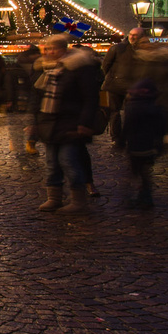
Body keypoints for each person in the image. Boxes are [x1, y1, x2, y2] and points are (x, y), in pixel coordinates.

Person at [32, 34, 104, 214]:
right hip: (49, 121)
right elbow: (39, 96)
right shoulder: (47, 67)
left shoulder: (78, 68)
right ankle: (54, 198)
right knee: (51, 162)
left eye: (52, 48)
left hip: (70, 121)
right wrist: (35, 120)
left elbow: (89, 98)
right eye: (47, 49)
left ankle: (78, 200)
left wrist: (84, 122)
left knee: (68, 160)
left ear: (63, 49)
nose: (49, 52)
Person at [120, 78, 165, 209]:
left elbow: (127, 126)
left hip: (135, 146)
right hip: (150, 146)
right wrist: (159, 145)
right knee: (144, 173)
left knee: (135, 171)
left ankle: (136, 196)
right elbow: (161, 128)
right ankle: (145, 196)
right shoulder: (156, 108)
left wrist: (121, 141)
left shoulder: (132, 107)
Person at [101, 28, 145, 148]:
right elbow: (106, 65)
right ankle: (117, 137)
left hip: (132, 86)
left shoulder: (143, 49)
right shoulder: (118, 48)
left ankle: (124, 137)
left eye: (135, 35)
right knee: (115, 112)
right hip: (116, 85)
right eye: (130, 34)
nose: (132, 37)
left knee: (128, 112)